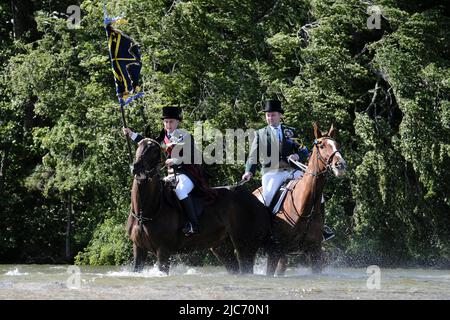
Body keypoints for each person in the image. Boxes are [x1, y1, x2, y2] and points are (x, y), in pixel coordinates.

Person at [242, 99, 335, 241]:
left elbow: (303, 149)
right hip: (272, 173)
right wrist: (249, 171)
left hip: (293, 171)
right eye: (268, 115)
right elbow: (253, 156)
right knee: (267, 199)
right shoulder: (260, 134)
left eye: (273, 115)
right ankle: (267, 230)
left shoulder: (290, 131)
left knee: (317, 193)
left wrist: (298, 154)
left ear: (280, 116)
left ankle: (321, 228)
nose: (270, 118)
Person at [123, 106, 208, 236]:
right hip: (171, 175)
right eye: (166, 122)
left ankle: (194, 225)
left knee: (180, 190)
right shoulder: (163, 137)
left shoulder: (185, 136)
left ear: (178, 122)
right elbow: (147, 143)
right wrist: (131, 134)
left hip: (188, 174)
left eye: (171, 122)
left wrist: (175, 160)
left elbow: (191, 156)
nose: (168, 125)